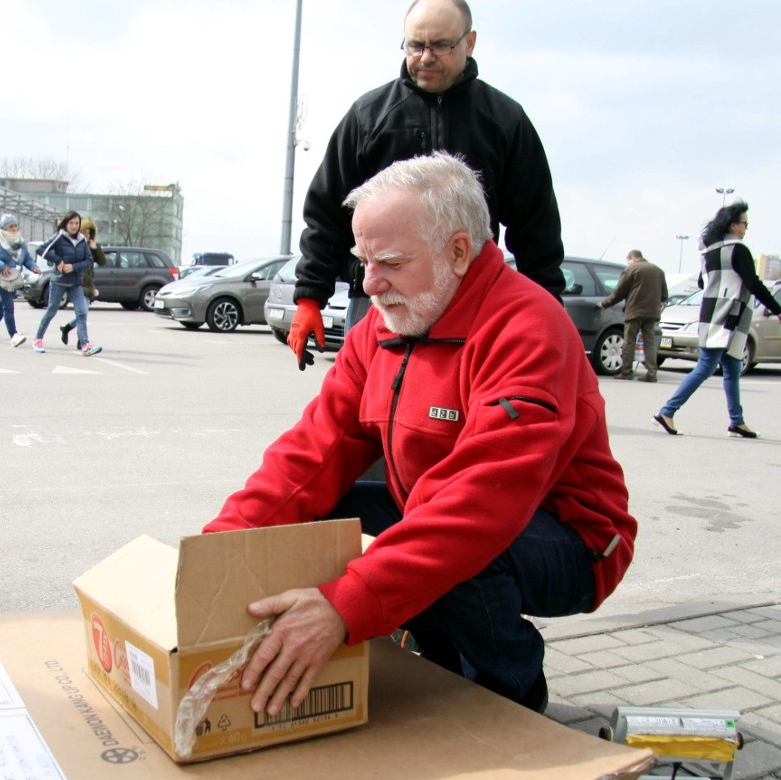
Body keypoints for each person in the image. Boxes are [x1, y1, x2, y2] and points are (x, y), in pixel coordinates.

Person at [202, 153, 635, 718]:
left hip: (570, 538)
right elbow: (310, 454)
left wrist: (345, 606)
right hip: (435, 507)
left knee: (462, 552)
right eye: (363, 261)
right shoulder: (379, 330)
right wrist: (219, 552)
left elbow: (482, 501)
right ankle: (436, 656)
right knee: (328, 522)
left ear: (459, 252)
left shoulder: (526, 327)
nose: (370, 284)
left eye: (392, 262)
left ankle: (511, 696)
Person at [287, 0, 565, 370]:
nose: (425, 57)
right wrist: (310, 297)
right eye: (415, 45)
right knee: (368, 411)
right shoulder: (369, 117)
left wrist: (547, 311)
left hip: (471, 300)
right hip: (380, 299)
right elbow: (326, 211)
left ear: (470, 43)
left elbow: (536, 224)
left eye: (440, 45)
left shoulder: (504, 121)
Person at [653, 201, 781, 439]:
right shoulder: (738, 250)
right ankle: (667, 411)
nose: (746, 228)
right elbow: (753, 284)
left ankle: (737, 421)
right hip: (729, 315)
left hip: (712, 312)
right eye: (745, 224)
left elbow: (703, 284)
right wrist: (777, 309)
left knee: (732, 367)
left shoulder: (710, 252)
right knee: (707, 366)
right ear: (734, 225)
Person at [33, 211, 102, 356]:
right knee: (51, 310)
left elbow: (89, 261)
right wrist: (58, 261)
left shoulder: (82, 240)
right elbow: (41, 250)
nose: (74, 226)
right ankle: (38, 339)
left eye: (77, 223)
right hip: (59, 281)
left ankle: (85, 344)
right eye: (71, 223)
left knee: (82, 312)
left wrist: (74, 267)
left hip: (76, 282)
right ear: (66, 224)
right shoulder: (59, 237)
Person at [598, 250, 668, 382]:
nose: (628, 263)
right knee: (649, 343)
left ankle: (626, 372)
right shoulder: (658, 271)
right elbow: (664, 295)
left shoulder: (631, 269)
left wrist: (604, 303)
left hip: (634, 311)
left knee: (629, 341)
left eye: (628, 261)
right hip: (652, 313)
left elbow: (618, 292)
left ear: (633, 258)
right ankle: (652, 373)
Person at [0, 214, 39, 347]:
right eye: (10, 226)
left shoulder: (20, 242)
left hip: (13, 279)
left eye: (15, 226)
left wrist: (33, 267)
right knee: (8, 306)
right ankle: (13, 335)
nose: (13, 229)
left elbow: (26, 259)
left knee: (2, 307)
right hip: (0, 278)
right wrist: (1, 266)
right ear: (3, 228)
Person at [60, 218, 106, 349]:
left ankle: (67, 328)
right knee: (82, 313)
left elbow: (102, 261)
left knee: (82, 313)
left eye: (89, 232)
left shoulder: (91, 246)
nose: (87, 235)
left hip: (88, 284)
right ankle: (82, 341)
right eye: (84, 232)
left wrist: (95, 248)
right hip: (78, 283)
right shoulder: (75, 245)